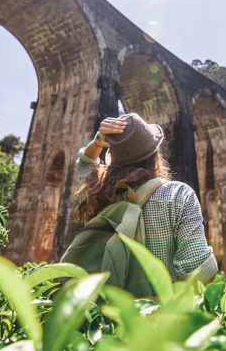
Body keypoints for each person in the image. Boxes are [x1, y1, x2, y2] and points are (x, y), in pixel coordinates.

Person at [71, 113, 218, 285]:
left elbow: (85, 163)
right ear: (155, 157)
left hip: (103, 308)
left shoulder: (98, 194)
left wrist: (97, 141)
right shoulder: (178, 195)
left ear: (113, 157)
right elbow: (199, 274)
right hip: (158, 310)